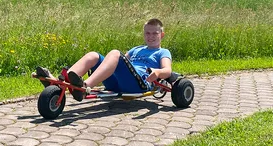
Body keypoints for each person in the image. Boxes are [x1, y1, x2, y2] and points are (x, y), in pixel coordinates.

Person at [36, 18, 172, 102]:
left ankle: (84, 86)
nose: (151, 36)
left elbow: (168, 70)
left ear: (162, 35)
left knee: (115, 53)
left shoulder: (162, 52)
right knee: (93, 55)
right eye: (148, 33)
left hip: (139, 84)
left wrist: (158, 73)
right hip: (117, 83)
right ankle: (60, 85)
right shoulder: (136, 49)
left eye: (155, 33)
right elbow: (120, 63)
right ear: (144, 34)